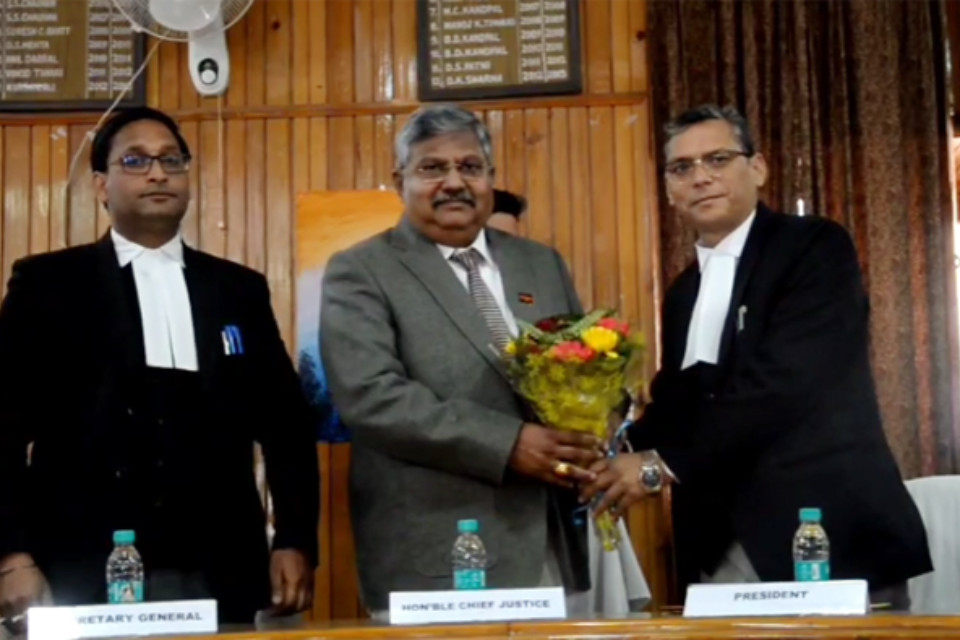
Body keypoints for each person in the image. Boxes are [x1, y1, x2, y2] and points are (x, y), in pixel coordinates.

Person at [581, 104, 932, 610]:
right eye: (682, 167)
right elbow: (681, 400)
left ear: (759, 168)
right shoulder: (684, 290)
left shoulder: (812, 247)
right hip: (722, 543)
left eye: (718, 159)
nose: (701, 177)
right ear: (668, 187)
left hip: (824, 534)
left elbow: (787, 386)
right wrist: (604, 450)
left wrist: (657, 466)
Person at [0, 107, 320, 626]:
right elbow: (5, 430)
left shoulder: (237, 289)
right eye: (136, 160)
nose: (157, 172)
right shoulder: (48, 284)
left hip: (219, 565)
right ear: (101, 186)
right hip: (77, 564)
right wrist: (10, 557)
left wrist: (295, 540)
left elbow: (286, 426)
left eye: (172, 160)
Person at [319, 104, 602, 617]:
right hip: (438, 558)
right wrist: (508, 443)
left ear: (490, 179)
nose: (454, 182)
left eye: (470, 167)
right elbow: (371, 396)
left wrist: (601, 409)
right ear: (399, 180)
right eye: (432, 168)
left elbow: (582, 358)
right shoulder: (360, 270)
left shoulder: (540, 263)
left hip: (553, 545)